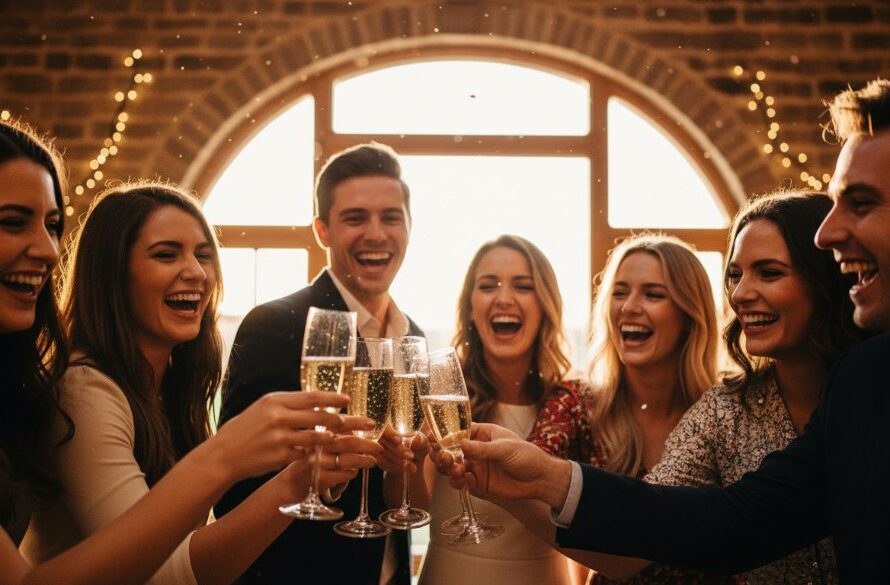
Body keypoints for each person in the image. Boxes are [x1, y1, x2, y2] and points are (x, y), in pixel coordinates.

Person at [442, 78, 890, 583]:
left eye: (769, 273)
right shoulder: (729, 412)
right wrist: (537, 479)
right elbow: (691, 526)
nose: (740, 295)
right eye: (735, 275)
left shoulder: (864, 381)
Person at [0, 120, 355, 585]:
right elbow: (165, 576)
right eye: (166, 255)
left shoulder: (168, 393)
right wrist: (237, 460)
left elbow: (198, 566)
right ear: (113, 277)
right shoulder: (86, 391)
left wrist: (305, 477)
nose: (195, 273)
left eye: (202, 255)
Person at [216, 143, 423, 585]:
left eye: (391, 217)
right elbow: (233, 493)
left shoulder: (414, 339)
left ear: (409, 227)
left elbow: (400, 494)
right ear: (322, 231)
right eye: (355, 218)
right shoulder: (275, 325)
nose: (376, 233)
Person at [528, 234, 726, 585]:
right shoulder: (577, 404)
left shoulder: (725, 411)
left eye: (653, 294)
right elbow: (531, 472)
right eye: (619, 292)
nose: (629, 307)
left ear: (689, 314)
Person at [397, 235, 580, 584]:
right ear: (469, 307)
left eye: (523, 286)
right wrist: (408, 463)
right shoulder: (437, 395)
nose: (504, 298)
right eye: (488, 285)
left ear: (546, 305)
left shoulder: (574, 405)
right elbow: (414, 509)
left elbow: (586, 528)